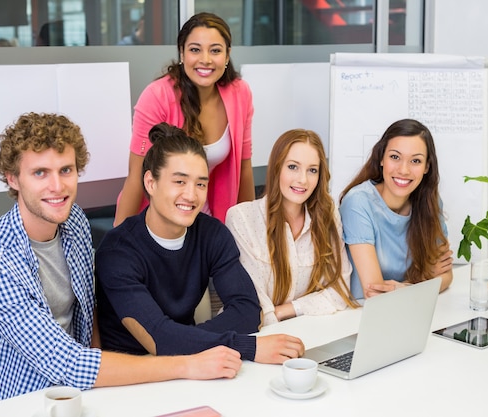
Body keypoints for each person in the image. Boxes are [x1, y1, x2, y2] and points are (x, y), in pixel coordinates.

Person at [0, 113, 246, 411]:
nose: (57, 186)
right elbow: (65, 361)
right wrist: (187, 365)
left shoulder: (74, 222)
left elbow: (88, 310)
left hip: (77, 393)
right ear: (13, 178)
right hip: (9, 403)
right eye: (40, 173)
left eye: (66, 170)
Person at [95, 122, 304, 364]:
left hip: (194, 365)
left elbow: (247, 310)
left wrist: (184, 340)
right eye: (179, 182)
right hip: (131, 375)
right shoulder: (117, 251)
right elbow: (160, 340)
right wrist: (247, 346)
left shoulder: (211, 233)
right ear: (151, 182)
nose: (192, 195)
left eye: (201, 183)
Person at [114, 12, 255, 226]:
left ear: (227, 56)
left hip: (211, 222)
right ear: (182, 53)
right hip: (161, 223)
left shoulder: (240, 93)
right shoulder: (157, 96)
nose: (205, 59)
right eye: (195, 50)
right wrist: (119, 239)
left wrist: (249, 230)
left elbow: (245, 169)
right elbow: (136, 176)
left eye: (215, 50)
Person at [225, 129, 358, 326]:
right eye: (293, 167)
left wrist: (287, 310)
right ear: (277, 168)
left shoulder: (327, 213)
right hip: (256, 335)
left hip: (308, 329)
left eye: (312, 170)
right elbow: (254, 304)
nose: (303, 179)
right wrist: (279, 319)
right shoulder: (242, 218)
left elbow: (339, 290)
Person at [338, 119, 453, 299]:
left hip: (408, 310)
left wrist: (406, 288)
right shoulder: (358, 203)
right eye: (395, 157)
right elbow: (375, 293)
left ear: (426, 167)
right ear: (382, 158)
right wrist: (424, 280)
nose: (404, 170)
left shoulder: (430, 202)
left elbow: (446, 275)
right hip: (359, 315)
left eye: (415, 160)